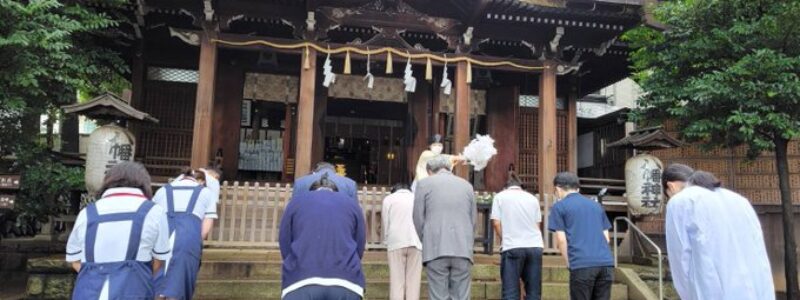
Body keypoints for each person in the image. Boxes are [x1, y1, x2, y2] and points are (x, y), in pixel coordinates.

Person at [66, 162, 171, 300]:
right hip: (134, 289)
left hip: (88, 291)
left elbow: (74, 259)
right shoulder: (154, 211)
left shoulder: (87, 213)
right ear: (144, 183)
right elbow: (159, 259)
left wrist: (98, 273)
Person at [666, 169, 775, 299]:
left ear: (670, 187)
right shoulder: (739, 200)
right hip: (756, 289)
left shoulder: (680, 201)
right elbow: (759, 248)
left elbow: (680, 258)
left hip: (713, 289)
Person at [279, 173, 366, 299]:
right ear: (336, 191)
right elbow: (360, 242)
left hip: (300, 279)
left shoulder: (295, 202)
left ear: (311, 191)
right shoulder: (352, 204)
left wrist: (294, 262)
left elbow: (285, 241)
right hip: (346, 281)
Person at [413, 155, 476, 300]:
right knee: (461, 296)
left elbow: (418, 218)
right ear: (449, 168)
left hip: (436, 248)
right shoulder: (467, 186)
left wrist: (426, 238)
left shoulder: (424, 185)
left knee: (438, 296)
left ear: (430, 171)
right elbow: (472, 220)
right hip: (462, 249)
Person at [153, 168, 218, 299]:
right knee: (181, 284)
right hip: (189, 236)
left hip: (161, 235)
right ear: (199, 181)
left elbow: (151, 218)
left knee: (157, 282)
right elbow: (207, 223)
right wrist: (197, 240)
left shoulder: (162, 190)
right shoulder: (205, 192)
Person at [548, 172, 614, 300]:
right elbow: (607, 238)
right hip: (605, 264)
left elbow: (561, 240)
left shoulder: (559, 207)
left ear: (557, 189)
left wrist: (569, 263)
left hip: (581, 263)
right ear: (577, 188)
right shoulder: (596, 206)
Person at [491, 174, 544, 300]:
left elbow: (496, 223)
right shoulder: (532, 198)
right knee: (533, 291)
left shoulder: (500, 197)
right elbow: (537, 224)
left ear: (506, 187)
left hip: (513, 246)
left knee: (510, 292)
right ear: (521, 187)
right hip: (535, 246)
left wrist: (505, 238)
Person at [382, 183, 423, 300]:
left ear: (394, 190)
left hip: (396, 242)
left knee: (396, 281)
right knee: (414, 282)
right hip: (416, 241)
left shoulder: (389, 199)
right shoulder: (416, 198)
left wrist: (386, 240)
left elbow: (386, 222)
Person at [293, 161, 358, 202]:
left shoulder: (300, 183)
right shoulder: (350, 184)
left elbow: (293, 209)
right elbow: (355, 212)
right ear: (334, 171)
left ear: (314, 171)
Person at [199, 166, 221, 240]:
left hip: (207, 204)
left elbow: (202, 172)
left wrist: (203, 171)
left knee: (204, 222)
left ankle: (201, 239)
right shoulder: (214, 181)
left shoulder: (213, 180)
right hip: (210, 203)